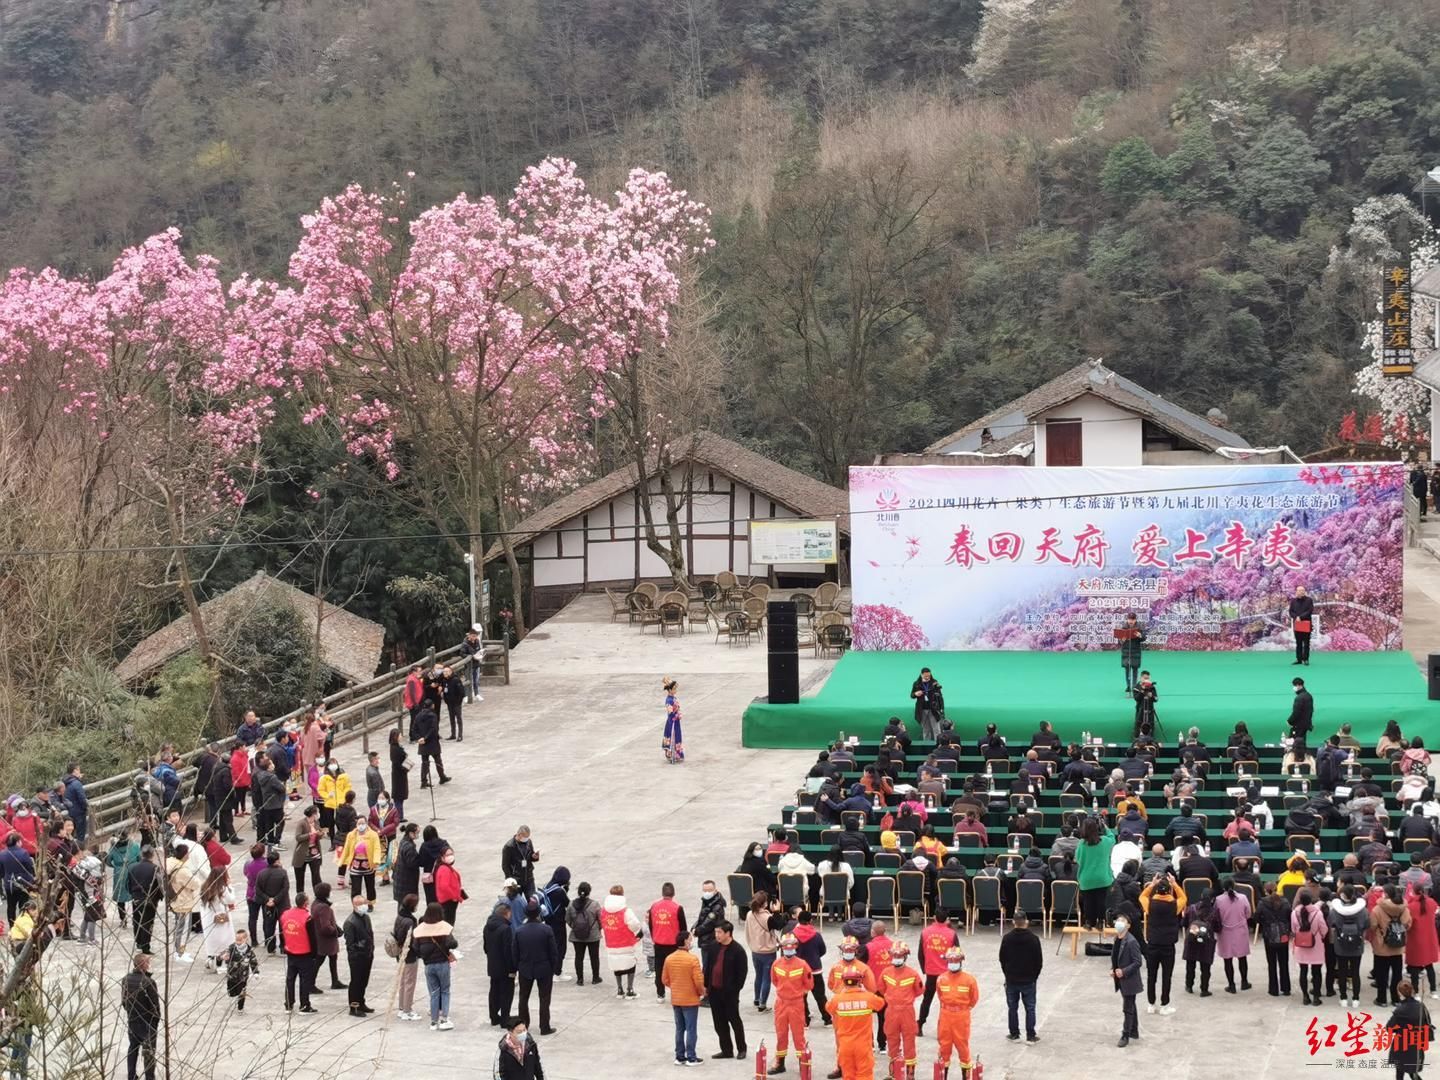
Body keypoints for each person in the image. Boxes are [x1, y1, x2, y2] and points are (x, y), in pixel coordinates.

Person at [766, 931, 813, 1074]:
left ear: (796, 947)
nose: (789, 949)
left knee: (798, 1035)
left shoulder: (802, 965)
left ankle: (803, 1063)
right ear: (781, 947)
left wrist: (796, 994)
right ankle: (780, 1063)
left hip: (796, 1004)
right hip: (781, 1003)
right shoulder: (777, 964)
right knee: (781, 1034)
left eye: (791, 946)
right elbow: (774, 981)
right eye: (786, 947)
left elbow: (809, 984)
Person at [1139, 872, 1185, 1015]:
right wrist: (1175, 883)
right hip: (1168, 946)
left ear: (1156, 890)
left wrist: (1152, 884)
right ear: (1170, 890)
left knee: (1151, 976)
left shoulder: (1150, 904)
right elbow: (1184, 897)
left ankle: (1151, 1004)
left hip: (1152, 944)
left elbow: (1142, 896)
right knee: (1167, 976)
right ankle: (1165, 1005)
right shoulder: (1175, 905)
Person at [825, 971, 885, 1080]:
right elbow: (881, 1003)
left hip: (845, 1045)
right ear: (859, 982)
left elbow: (828, 1008)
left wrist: (842, 994)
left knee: (848, 1075)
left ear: (844, 982)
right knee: (865, 1074)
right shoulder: (868, 997)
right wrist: (864, 991)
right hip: (863, 1046)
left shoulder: (837, 999)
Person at [660, 929, 705, 1066]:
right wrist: (701, 992)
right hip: (690, 1000)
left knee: (680, 1028)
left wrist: (676, 987)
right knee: (691, 1029)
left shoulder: (669, 958)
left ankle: (679, 1056)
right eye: (690, 939)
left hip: (676, 999)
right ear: (685, 941)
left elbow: (664, 979)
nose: (691, 941)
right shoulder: (692, 960)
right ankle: (691, 1056)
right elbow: (698, 980)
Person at [514, 899, 559, 1035]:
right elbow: (553, 952)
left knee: (523, 998)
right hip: (544, 968)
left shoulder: (519, 931)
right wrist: (553, 968)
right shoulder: (546, 930)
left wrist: (518, 967)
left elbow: (514, 952)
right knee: (544, 999)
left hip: (525, 968)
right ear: (539, 913)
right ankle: (544, 1026)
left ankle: (523, 1026)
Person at [932, 945, 979, 1077]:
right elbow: (940, 995)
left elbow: (974, 999)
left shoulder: (969, 980)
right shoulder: (941, 979)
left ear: (961, 961)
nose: (952, 964)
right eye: (950, 961)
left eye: (955, 961)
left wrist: (962, 1009)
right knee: (944, 1047)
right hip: (945, 1015)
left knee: (962, 1046)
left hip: (961, 1016)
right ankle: (943, 1075)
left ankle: (966, 1076)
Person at [997, 910, 1042, 1043]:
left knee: (1012, 1007)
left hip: (1012, 979)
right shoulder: (1034, 939)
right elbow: (1038, 961)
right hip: (1029, 980)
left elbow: (1002, 959)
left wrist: (1007, 974)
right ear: (1026, 922)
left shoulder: (1007, 938)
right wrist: (1034, 976)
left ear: (1013, 922)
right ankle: (1031, 1035)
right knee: (1030, 1008)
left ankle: (1014, 1034)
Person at [705, 921, 748, 1060]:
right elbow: (708, 968)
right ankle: (726, 1050)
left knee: (734, 1021)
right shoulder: (713, 947)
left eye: (719, 932)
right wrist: (706, 986)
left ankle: (741, 1048)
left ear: (728, 933)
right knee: (719, 1023)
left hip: (729, 994)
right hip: (714, 992)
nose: (716, 935)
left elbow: (742, 974)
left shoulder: (738, 951)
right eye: (716, 932)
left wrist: (734, 990)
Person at [414, 902, 459, 1030]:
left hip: (428, 966)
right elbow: (453, 943)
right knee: (445, 991)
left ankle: (433, 1022)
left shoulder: (420, 929)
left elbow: (416, 948)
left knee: (434, 993)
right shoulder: (444, 927)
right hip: (442, 964)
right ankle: (444, 1019)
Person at [916, 908, 958, 1035]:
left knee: (927, 999)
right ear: (947, 919)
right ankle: (943, 1029)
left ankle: (920, 1024)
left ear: (934, 917)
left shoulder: (925, 932)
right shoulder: (951, 934)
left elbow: (920, 954)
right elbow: (956, 953)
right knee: (945, 1003)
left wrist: (925, 968)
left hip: (931, 972)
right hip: (946, 974)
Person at [121, 952, 160, 1080]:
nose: (149, 965)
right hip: (147, 1022)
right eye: (148, 962)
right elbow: (154, 1006)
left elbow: (124, 1002)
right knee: (148, 1051)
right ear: (143, 965)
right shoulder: (149, 982)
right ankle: (149, 1077)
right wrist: (155, 1023)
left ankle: (131, 1075)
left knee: (133, 1048)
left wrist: (131, 1013)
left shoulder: (126, 979)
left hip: (133, 1019)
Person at [1328, 885, 1369, 1008]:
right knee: (1355, 972)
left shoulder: (1335, 910)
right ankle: (1356, 998)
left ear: (1342, 895)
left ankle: (1343, 997)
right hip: (1357, 944)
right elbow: (1367, 924)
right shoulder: (1363, 910)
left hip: (1340, 944)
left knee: (1342, 971)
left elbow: (1331, 924)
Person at [601, 884, 644, 997]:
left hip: (611, 943)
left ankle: (619, 989)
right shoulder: (626, 911)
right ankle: (630, 989)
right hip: (626, 943)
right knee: (630, 965)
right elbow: (635, 926)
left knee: (616, 966)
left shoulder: (604, 911)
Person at [1375, 884, 1414, 1007]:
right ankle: (1396, 998)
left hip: (1382, 946)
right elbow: (1408, 924)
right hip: (1398, 946)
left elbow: (1372, 924)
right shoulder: (1404, 908)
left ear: (1385, 894)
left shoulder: (1378, 909)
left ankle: (1381, 999)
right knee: (1397, 974)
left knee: (1381, 974)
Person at [1385, 980, 1433, 1080]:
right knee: (1413, 1071)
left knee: (1400, 1072)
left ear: (1400, 994)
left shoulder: (1400, 1010)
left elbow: (1389, 1028)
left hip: (1401, 1045)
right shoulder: (1421, 1007)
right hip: (1416, 1044)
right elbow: (1427, 1024)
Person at [1076, 816, 1116, 930]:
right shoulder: (1105, 841)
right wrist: (1105, 827)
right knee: (1101, 900)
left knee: (1088, 901)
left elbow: (1077, 859)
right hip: (1102, 878)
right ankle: (1101, 921)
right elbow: (1112, 837)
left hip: (1086, 878)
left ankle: (1089, 922)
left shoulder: (1081, 844)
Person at [165, 843, 202, 963]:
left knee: (179, 926)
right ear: (185, 855)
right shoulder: (182, 870)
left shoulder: (169, 863)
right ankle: (180, 952)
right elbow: (195, 884)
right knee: (184, 928)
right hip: (183, 901)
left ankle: (179, 950)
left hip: (174, 898)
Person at [280, 892, 317, 1013]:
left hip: (290, 950)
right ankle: (304, 1005)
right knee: (305, 980)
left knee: (290, 979)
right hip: (304, 952)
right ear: (305, 903)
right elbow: (313, 938)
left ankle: (288, 1004)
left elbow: (282, 932)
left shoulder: (285, 915)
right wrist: (315, 954)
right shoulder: (307, 917)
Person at [1215, 877, 1252, 994]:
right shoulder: (1243, 897)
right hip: (1240, 930)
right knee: (1242, 958)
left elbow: (1216, 916)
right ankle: (1244, 982)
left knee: (1227, 960)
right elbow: (1248, 914)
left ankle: (1231, 985)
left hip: (1225, 932)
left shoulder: (1218, 900)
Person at [1256, 882, 1293, 998]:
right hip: (1283, 934)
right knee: (1284, 963)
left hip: (1269, 935)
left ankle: (1273, 989)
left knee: (1271, 963)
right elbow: (1289, 916)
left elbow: (1256, 917)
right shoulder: (1285, 902)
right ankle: (1286, 988)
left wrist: (1264, 924)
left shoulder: (1262, 903)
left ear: (1265, 891)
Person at [483, 901, 517, 1026]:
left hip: (492, 965)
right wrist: (512, 968)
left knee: (494, 991)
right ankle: (504, 1018)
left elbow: (486, 947)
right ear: (506, 914)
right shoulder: (505, 929)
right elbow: (508, 951)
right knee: (506, 993)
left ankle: (493, 1016)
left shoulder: (487, 927)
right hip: (504, 967)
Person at [746, 892, 782, 1011]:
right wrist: (776, 911)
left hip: (755, 950)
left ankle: (756, 999)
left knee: (759, 975)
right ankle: (763, 1004)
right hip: (767, 951)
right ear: (765, 904)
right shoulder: (767, 918)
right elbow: (779, 925)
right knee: (767, 978)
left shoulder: (749, 914)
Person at [343, 892, 376, 1016]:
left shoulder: (366, 917)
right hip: (357, 958)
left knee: (363, 981)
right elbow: (350, 944)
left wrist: (370, 950)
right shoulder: (350, 922)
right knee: (356, 982)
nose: (364, 906)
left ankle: (361, 1002)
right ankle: (354, 1007)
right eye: (361, 904)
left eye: (365, 903)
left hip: (367, 955)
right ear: (354, 906)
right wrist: (357, 955)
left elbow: (370, 935)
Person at [1405, 884, 1440, 999]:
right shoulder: (1432, 903)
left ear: (1413, 892)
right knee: (1429, 965)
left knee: (1414, 967)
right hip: (1430, 938)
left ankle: (1416, 992)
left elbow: (1407, 924)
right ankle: (1433, 990)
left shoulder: (1411, 906)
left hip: (1415, 939)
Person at [198, 868, 237, 973]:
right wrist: (230, 887)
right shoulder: (222, 889)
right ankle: (221, 964)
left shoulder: (204, 886)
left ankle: (212, 960)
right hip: (221, 920)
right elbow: (231, 899)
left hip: (208, 919)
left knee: (213, 942)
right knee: (224, 942)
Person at [567, 881, 603, 985]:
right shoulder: (594, 905)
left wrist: (575, 927)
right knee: (594, 956)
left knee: (579, 957)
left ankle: (580, 979)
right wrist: (598, 929)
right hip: (593, 935)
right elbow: (601, 920)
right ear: (589, 892)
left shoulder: (571, 905)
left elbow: (568, 919)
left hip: (576, 936)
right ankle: (595, 978)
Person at [312, 882, 346, 992]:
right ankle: (310, 983)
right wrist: (335, 931)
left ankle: (335, 980)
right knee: (319, 960)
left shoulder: (315, 904)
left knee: (332, 958)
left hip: (319, 938)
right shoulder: (324, 907)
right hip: (326, 940)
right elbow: (326, 926)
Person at [394, 893, 422, 1022]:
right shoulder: (410, 921)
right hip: (410, 955)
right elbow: (413, 940)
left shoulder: (399, 917)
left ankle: (401, 1007)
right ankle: (407, 1010)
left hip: (400, 954)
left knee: (403, 981)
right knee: (410, 982)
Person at [413, 703, 451, 789]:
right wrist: (426, 738)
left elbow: (414, 729)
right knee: (438, 761)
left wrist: (419, 738)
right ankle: (442, 777)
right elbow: (434, 729)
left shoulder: (418, 716)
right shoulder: (433, 715)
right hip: (432, 742)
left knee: (425, 762)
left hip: (422, 743)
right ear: (432, 706)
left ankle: (423, 781)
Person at [495, 1015, 544, 1080]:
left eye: (524, 1030)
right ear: (510, 1032)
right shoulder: (503, 1049)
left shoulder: (531, 1044)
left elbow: (537, 1066)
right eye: (519, 1032)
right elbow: (498, 1073)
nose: (523, 1033)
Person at [222, 928, 260, 1010]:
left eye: (240, 940)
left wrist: (255, 972)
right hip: (232, 975)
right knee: (231, 992)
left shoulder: (249, 951)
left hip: (243, 977)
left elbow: (253, 962)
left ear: (246, 939)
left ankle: (240, 1007)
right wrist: (224, 957)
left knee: (242, 992)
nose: (238, 942)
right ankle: (233, 995)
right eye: (237, 940)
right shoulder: (232, 948)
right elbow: (225, 954)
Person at [501, 826, 540, 898]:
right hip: (516, 880)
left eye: (528, 837)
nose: (526, 839)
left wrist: (534, 857)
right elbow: (505, 866)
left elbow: (530, 856)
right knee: (516, 903)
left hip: (528, 878)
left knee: (533, 902)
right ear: (519, 835)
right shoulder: (509, 847)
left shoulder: (528, 842)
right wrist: (511, 881)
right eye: (525, 837)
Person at [911, 667, 944, 741]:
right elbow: (912, 695)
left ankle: (939, 745)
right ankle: (926, 746)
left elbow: (940, 696)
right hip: (922, 709)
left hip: (933, 709)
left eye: (929, 675)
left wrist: (941, 708)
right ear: (921, 674)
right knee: (926, 730)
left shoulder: (934, 682)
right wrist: (916, 694)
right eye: (925, 676)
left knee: (937, 729)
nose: (927, 677)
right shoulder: (916, 684)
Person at [1117, 611, 1145, 694]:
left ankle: (1134, 686)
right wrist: (1122, 640)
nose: (1131, 621)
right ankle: (1128, 686)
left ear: (1135, 620)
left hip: (1136, 650)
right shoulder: (1123, 627)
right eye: (1129, 619)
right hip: (1126, 650)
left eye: (1133, 619)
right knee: (1127, 669)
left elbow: (1144, 638)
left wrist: (1140, 636)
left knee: (1135, 669)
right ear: (1127, 619)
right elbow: (1119, 641)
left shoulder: (1139, 627)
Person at [388, 728, 411, 822]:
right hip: (399, 774)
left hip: (400, 774)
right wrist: (406, 767)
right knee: (398, 797)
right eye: (399, 735)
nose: (401, 736)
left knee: (400, 796)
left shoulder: (396, 747)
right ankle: (399, 816)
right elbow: (397, 763)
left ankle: (400, 815)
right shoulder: (395, 749)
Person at [1289, 585, 1314, 665]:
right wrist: (1296, 617)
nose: (1300, 592)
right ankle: (1299, 659)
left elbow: (1310, 611)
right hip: (1297, 624)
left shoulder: (1309, 600)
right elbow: (1291, 611)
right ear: (1296, 592)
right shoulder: (1293, 601)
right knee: (1298, 642)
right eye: (1299, 590)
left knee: (1306, 643)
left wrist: (1301, 617)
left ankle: (1306, 659)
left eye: (1302, 590)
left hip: (1306, 623)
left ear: (1304, 592)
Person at [663, 677, 686, 764]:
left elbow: (677, 708)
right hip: (672, 722)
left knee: (677, 736)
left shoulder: (673, 698)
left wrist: (678, 712)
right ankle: (672, 754)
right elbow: (670, 712)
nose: (675, 690)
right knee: (673, 737)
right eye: (674, 689)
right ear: (669, 690)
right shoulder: (668, 700)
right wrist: (677, 715)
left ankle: (678, 753)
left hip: (676, 721)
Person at [440, 664, 465, 741]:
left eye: (447, 671)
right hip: (449, 703)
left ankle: (460, 735)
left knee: (458, 718)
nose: (445, 673)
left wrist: (458, 701)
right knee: (451, 718)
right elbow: (445, 690)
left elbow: (462, 692)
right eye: (444, 672)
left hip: (456, 703)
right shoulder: (444, 680)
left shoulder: (456, 680)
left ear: (451, 672)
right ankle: (453, 734)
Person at [1132, 671, 1158, 736]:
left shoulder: (1152, 687)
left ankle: (1151, 738)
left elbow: (1156, 699)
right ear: (1141, 678)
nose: (1146, 680)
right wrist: (1142, 691)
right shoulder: (1136, 687)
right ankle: (1137, 739)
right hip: (1140, 710)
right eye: (1145, 678)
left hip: (1150, 711)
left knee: (1151, 725)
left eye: (1148, 678)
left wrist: (1151, 696)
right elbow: (1136, 699)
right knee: (1138, 724)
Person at [1288, 677, 1314, 742]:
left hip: (1298, 725)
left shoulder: (1299, 698)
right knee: (1302, 742)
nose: (1293, 687)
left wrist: (1290, 721)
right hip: (1305, 725)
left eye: (1294, 685)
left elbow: (1296, 712)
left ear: (1298, 685)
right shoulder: (1308, 695)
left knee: (1294, 743)